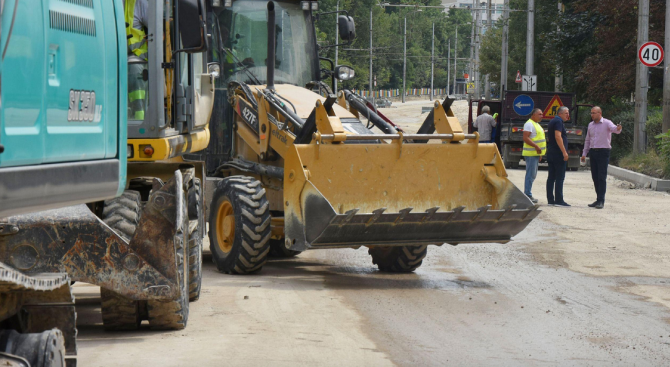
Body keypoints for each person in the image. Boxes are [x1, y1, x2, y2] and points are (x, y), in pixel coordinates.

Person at [581, 106, 623, 209]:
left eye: (594, 113)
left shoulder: (607, 123)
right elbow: (587, 140)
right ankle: (598, 198)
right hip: (593, 152)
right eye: (591, 113)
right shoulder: (590, 125)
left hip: (603, 152)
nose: (592, 115)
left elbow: (615, 130)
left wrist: (618, 128)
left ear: (600, 113)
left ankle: (601, 200)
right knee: (595, 177)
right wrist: (584, 153)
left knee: (601, 177)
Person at [125, 0, 149, 120]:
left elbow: (159, 31)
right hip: (113, 55)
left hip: (137, 55)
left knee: (134, 68)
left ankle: (139, 119)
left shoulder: (140, 3)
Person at [546, 106, 571, 207]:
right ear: (560, 113)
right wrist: (564, 152)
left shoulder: (552, 121)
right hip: (558, 153)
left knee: (551, 177)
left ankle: (551, 200)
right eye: (566, 113)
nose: (568, 115)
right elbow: (558, 136)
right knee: (559, 177)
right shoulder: (558, 122)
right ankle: (559, 200)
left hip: (551, 152)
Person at [522, 108, 546, 203]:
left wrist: (539, 154)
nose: (541, 116)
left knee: (532, 174)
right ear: (534, 115)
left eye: (542, 114)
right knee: (530, 174)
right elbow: (525, 137)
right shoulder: (529, 124)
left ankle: (528, 193)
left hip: (535, 154)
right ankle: (527, 194)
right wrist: (536, 146)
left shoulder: (536, 124)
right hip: (531, 154)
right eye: (539, 114)